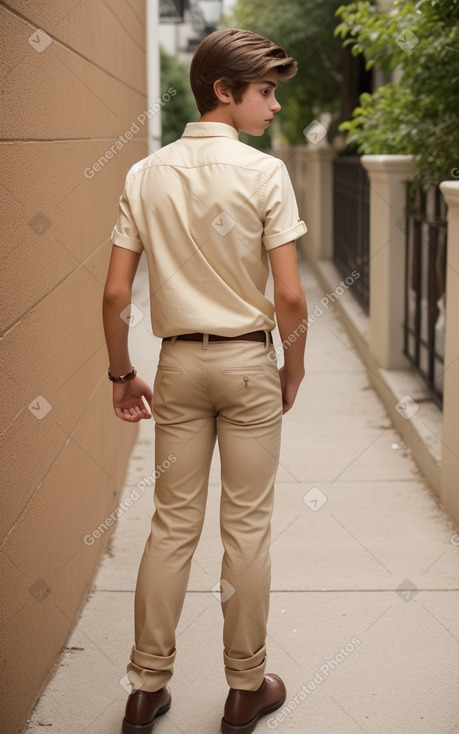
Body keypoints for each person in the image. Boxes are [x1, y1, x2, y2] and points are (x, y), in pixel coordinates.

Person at [102, 27, 308, 734]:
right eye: (265, 92)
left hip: (178, 365)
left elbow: (112, 297)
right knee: (246, 532)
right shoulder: (263, 173)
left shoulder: (143, 173)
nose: (273, 106)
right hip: (248, 363)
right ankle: (244, 690)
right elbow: (288, 297)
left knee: (169, 529)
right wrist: (294, 365)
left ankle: (144, 690)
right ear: (224, 91)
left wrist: (122, 374)